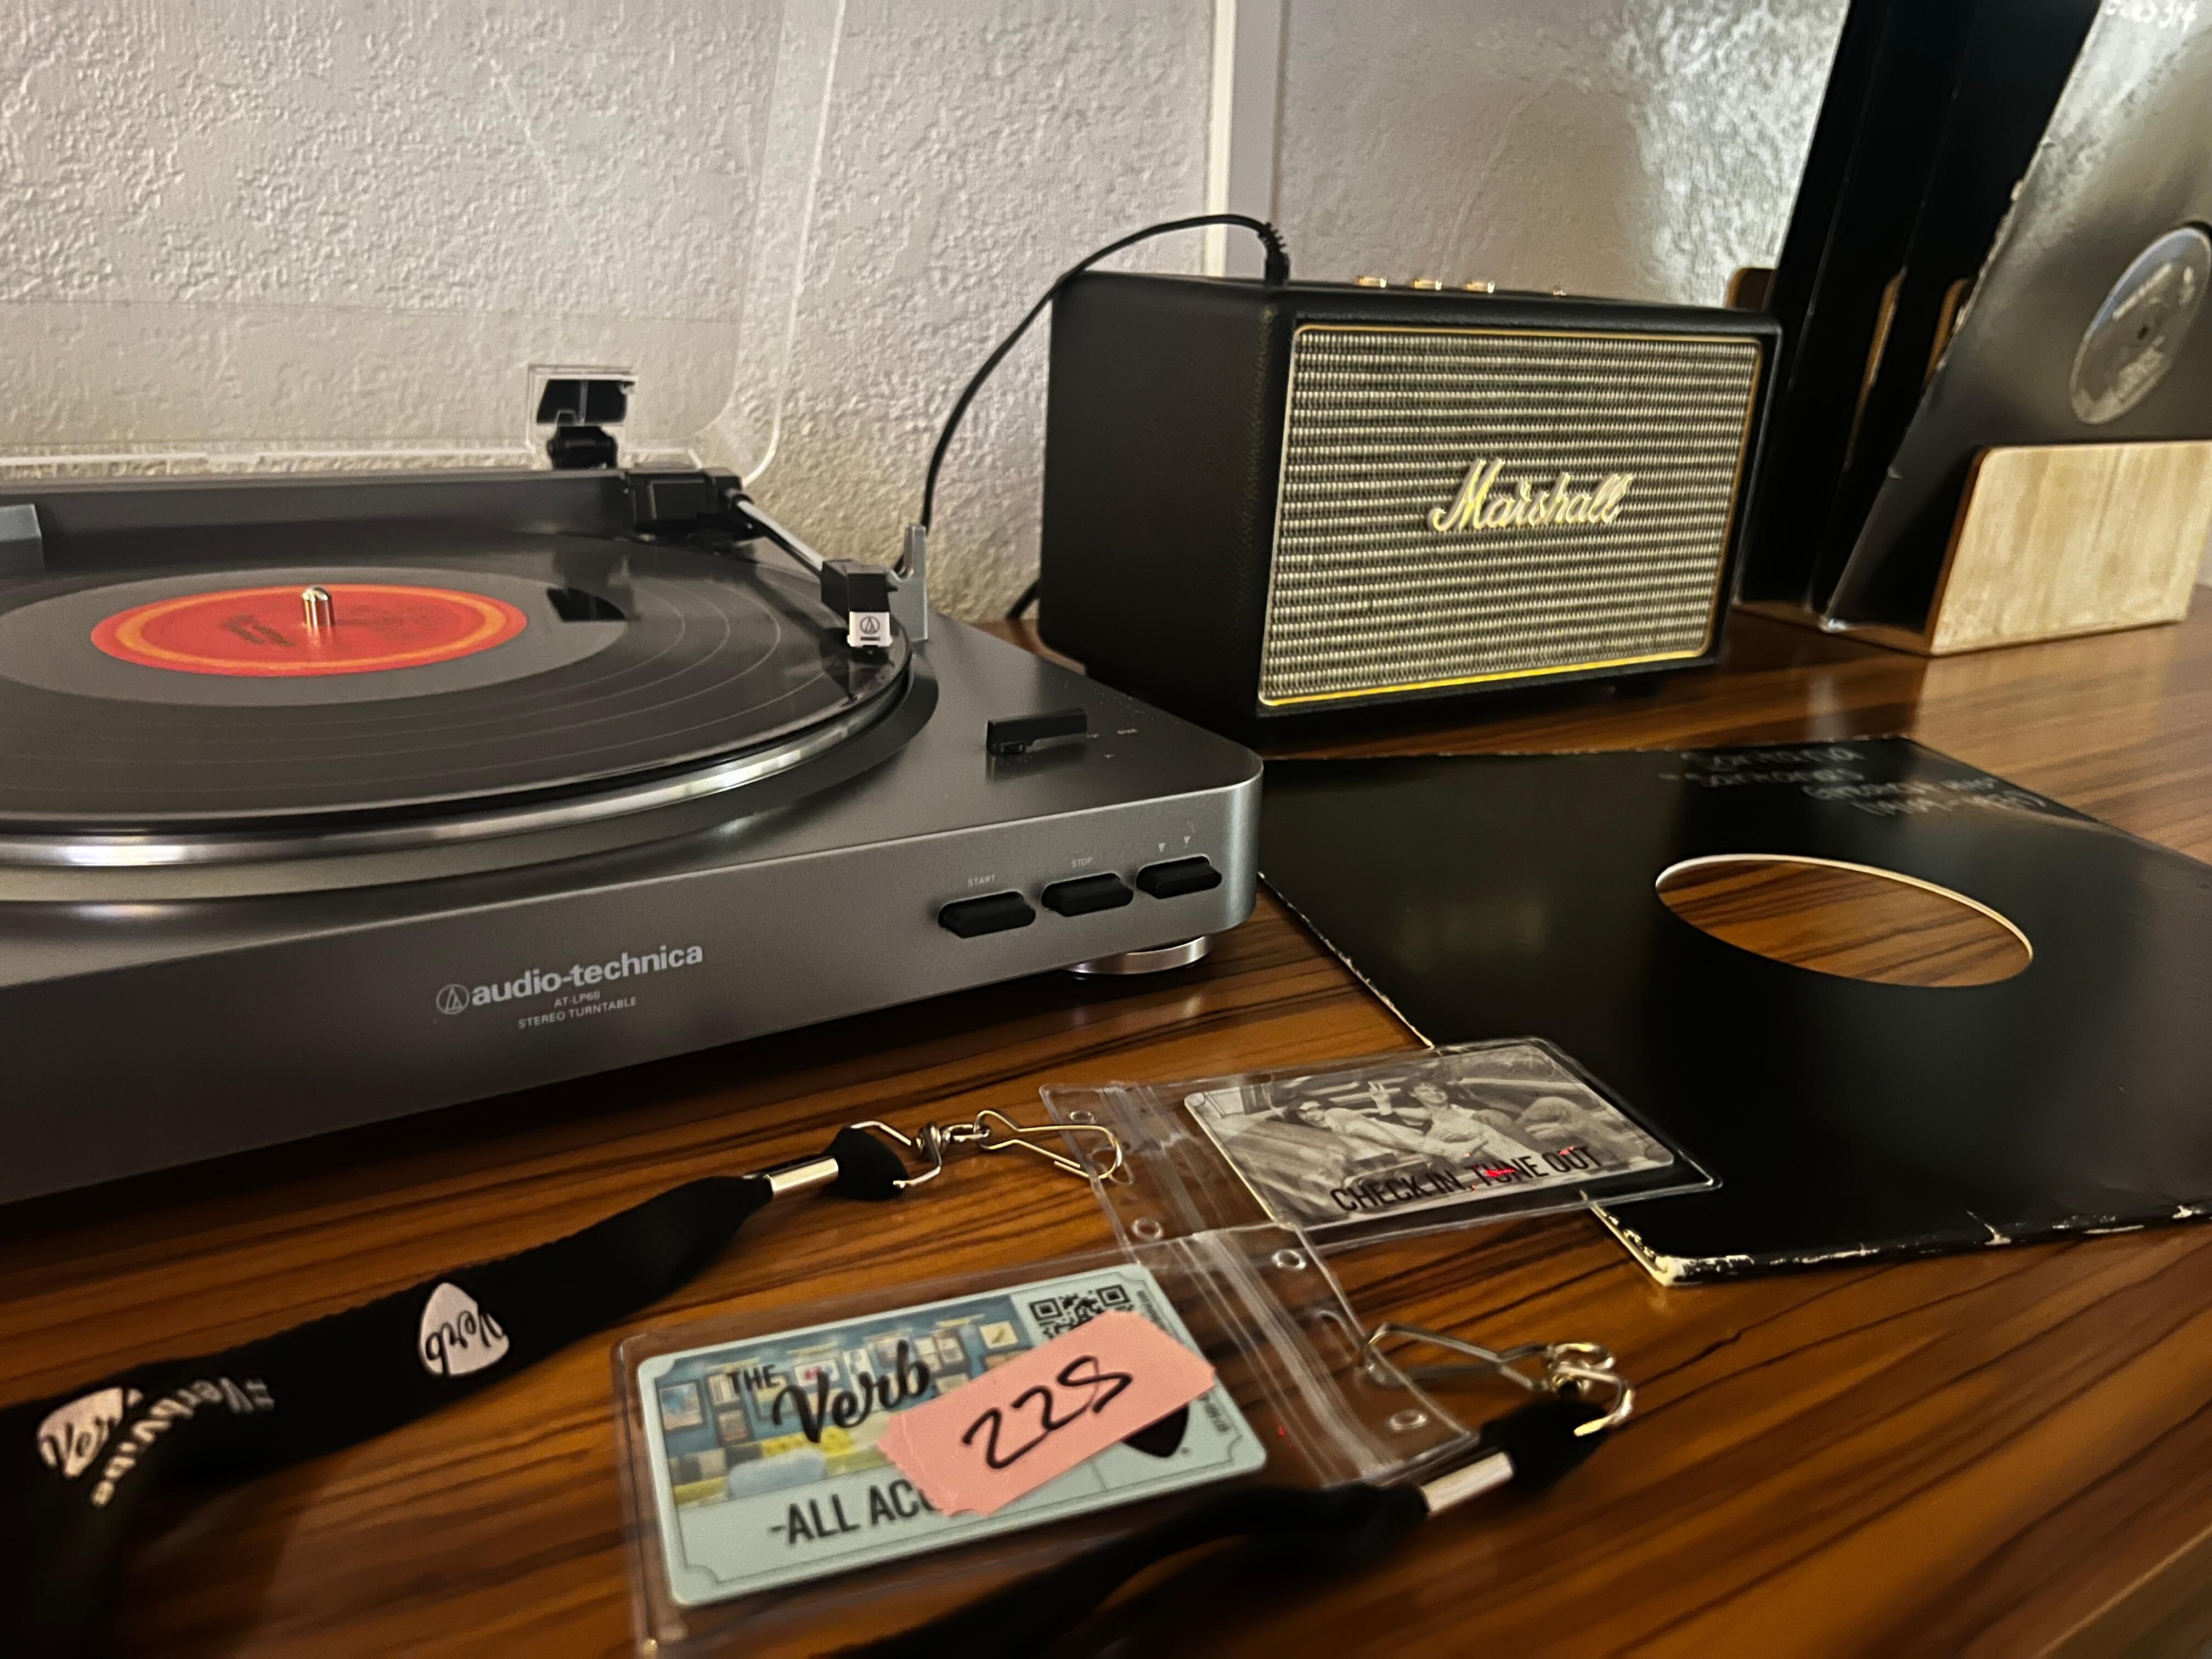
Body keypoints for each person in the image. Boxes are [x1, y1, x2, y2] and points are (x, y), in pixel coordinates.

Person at [1401, 1080, 1539, 1164]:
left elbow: (1507, 1119)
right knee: (1487, 1116)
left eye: (1438, 1089)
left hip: (1511, 1131)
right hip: (1475, 1149)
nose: (1434, 1093)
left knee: (1551, 1103)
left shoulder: (1470, 1105)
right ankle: (1544, 1155)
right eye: (1425, 1091)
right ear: (1413, 1094)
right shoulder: (1428, 1124)